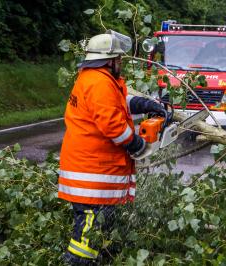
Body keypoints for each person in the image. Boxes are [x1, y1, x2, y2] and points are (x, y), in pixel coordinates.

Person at [58, 30, 166, 265]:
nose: (120, 63)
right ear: (109, 60)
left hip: (94, 172)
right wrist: (138, 145)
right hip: (91, 176)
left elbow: (117, 104)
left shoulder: (96, 79)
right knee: (87, 236)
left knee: (100, 230)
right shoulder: (99, 82)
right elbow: (114, 126)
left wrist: (146, 104)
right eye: (118, 59)